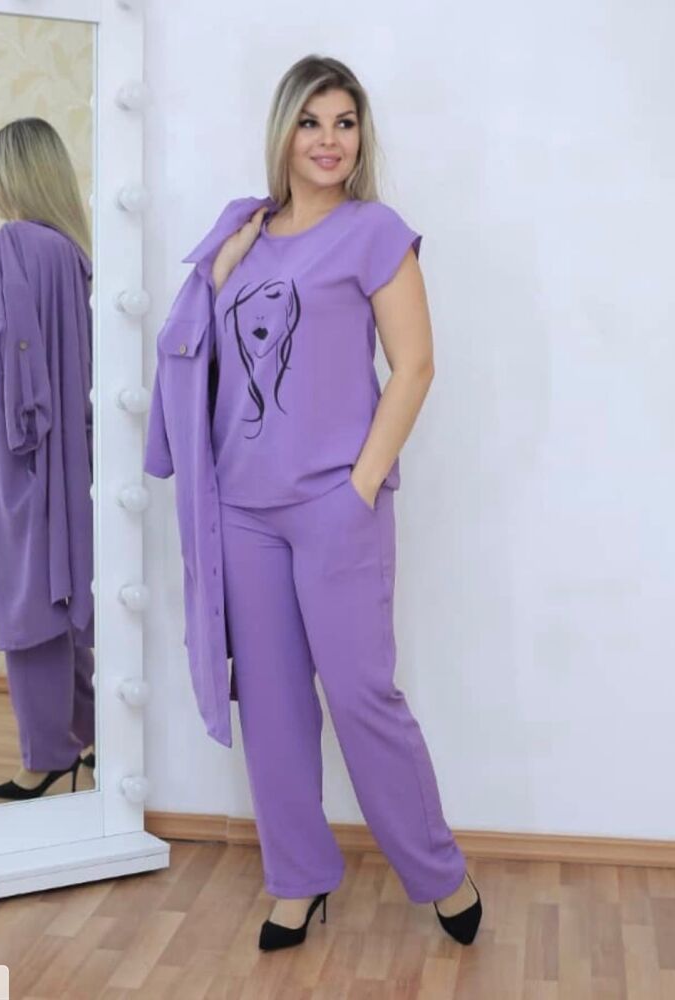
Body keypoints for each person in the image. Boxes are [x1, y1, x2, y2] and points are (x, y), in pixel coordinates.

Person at [205, 56, 483, 949]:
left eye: (345, 123)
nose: (328, 140)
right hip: (243, 509)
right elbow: (192, 355)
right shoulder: (241, 232)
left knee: (361, 694)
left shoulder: (374, 232)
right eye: (311, 121)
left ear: (361, 138)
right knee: (273, 704)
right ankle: (297, 880)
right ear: (283, 132)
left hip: (333, 504)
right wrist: (219, 270)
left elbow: (415, 366)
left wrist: (359, 484)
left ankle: (436, 869)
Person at [0, 117, 96, 800]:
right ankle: (92, 733)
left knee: (27, 603)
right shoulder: (70, 254)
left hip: (17, 457)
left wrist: (23, 445)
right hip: (60, 450)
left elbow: (16, 370)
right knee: (57, 596)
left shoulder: (14, 244)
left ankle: (46, 755)